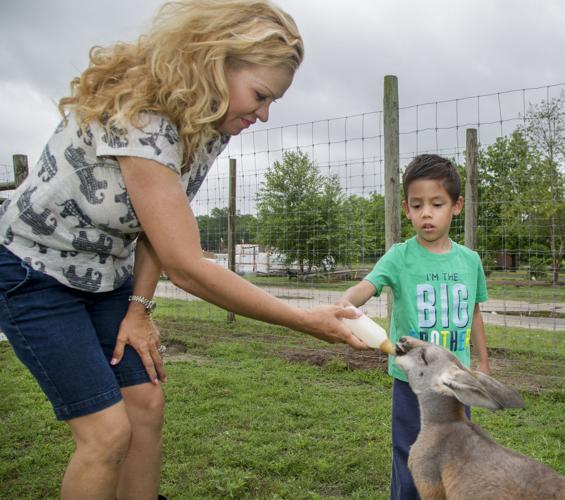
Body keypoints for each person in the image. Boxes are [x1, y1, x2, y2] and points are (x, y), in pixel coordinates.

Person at [0, 1, 367, 498]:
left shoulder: (207, 125)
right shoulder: (141, 118)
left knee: (146, 405)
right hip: (32, 271)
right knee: (107, 435)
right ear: (215, 64)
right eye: (260, 96)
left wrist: (139, 307)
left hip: (107, 274)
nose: (262, 114)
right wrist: (303, 319)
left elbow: (158, 229)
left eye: (271, 103)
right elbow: (187, 266)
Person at [337, 154, 491, 500]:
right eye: (416, 204)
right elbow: (368, 285)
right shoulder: (400, 256)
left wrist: (483, 363)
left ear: (456, 205)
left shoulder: (470, 261)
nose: (426, 213)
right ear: (406, 208)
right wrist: (346, 302)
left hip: (456, 380)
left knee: (453, 456)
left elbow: (475, 312)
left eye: (436, 204)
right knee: (411, 454)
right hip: (413, 382)